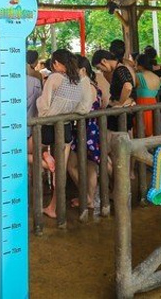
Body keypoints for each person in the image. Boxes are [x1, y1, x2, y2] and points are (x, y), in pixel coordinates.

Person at [37, 49, 92, 218]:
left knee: (30, 152)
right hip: (66, 128)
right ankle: (54, 208)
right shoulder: (79, 81)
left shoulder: (54, 78)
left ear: (55, 63)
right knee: (61, 171)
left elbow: (43, 107)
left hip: (48, 127)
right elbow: (84, 108)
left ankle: (46, 160)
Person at [67, 56, 103, 209]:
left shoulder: (83, 86)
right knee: (91, 166)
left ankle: (86, 196)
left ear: (82, 70)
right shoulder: (95, 85)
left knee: (71, 165)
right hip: (94, 129)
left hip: (84, 130)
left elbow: (78, 108)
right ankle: (90, 199)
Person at [92, 50, 136, 132]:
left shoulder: (120, 70)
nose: (101, 71)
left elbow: (128, 87)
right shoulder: (116, 70)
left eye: (99, 68)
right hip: (119, 108)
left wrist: (120, 103)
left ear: (104, 61)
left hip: (121, 110)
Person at [26, 50, 49, 172]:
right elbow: (40, 97)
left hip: (22, 119)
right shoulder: (37, 76)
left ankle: (42, 165)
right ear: (35, 61)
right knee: (35, 148)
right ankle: (41, 172)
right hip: (34, 116)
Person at [134, 54, 160, 137]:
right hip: (154, 104)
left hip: (142, 105)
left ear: (140, 64)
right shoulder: (157, 77)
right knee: (152, 129)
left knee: (141, 130)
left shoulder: (138, 76)